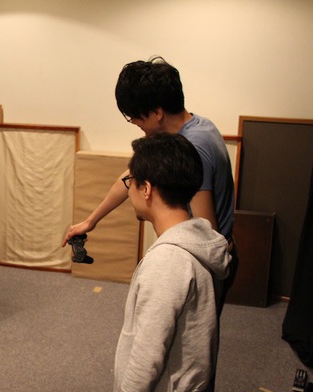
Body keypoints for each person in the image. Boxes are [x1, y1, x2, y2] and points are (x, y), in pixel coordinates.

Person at [63, 56, 235, 313]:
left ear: (157, 112)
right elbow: (131, 174)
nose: (134, 123)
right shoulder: (196, 127)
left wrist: (165, 263)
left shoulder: (194, 147)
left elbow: (206, 233)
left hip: (203, 266)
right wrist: (91, 221)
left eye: (136, 117)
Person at [108, 133, 231, 392]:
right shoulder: (200, 238)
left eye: (130, 182)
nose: (129, 190)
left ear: (146, 189)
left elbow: (149, 346)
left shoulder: (167, 261)